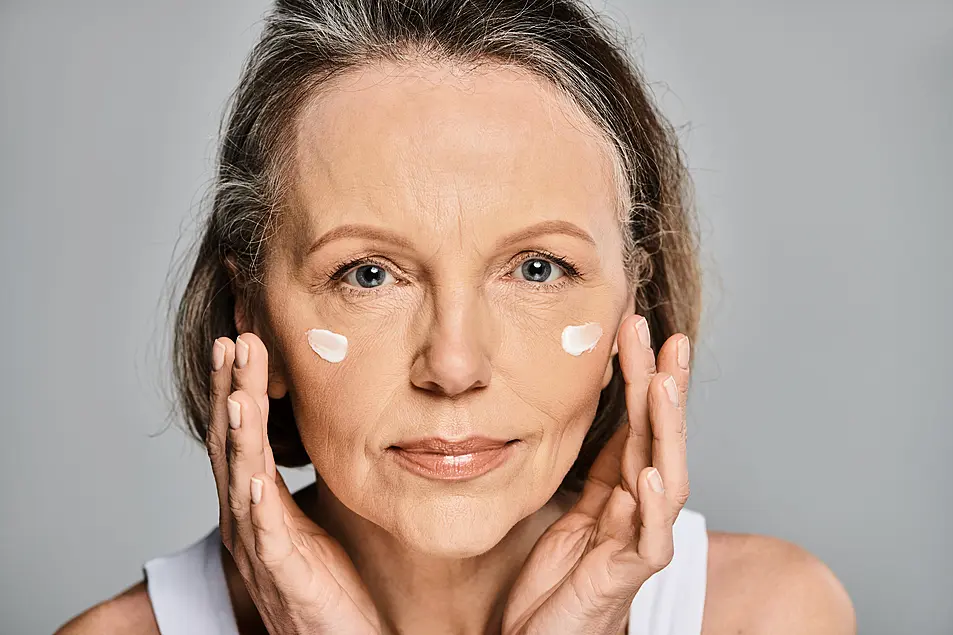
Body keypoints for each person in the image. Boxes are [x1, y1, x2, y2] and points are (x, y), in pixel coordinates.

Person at [56, 1, 856, 633]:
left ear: (630, 310)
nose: (453, 364)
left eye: (536, 268)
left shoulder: (765, 616)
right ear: (250, 317)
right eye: (367, 274)